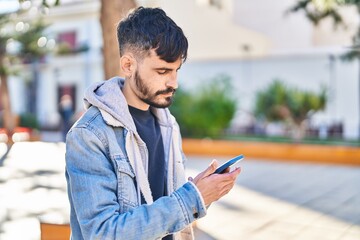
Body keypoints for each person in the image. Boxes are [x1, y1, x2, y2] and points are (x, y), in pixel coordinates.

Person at [65, 7, 241, 240]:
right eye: (162, 71)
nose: (174, 83)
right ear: (128, 65)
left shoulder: (169, 125)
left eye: (176, 70)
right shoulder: (89, 135)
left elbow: (169, 206)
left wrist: (199, 190)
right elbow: (103, 234)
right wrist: (192, 199)